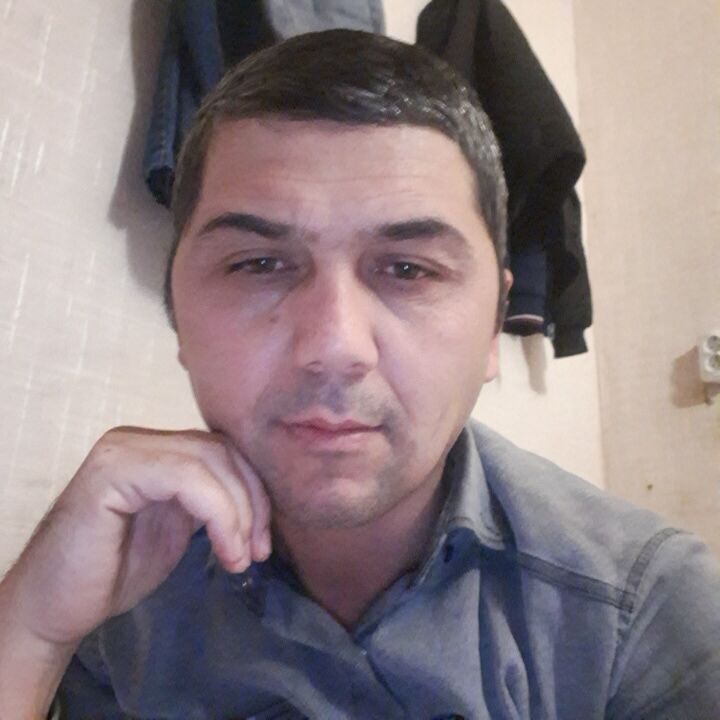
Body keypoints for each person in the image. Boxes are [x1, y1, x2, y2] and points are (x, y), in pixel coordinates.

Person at [0, 29, 718, 720]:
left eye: (407, 269)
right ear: (176, 314)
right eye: (258, 264)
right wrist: (30, 631)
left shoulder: (643, 614)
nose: (334, 345)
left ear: (495, 323)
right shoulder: (118, 588)